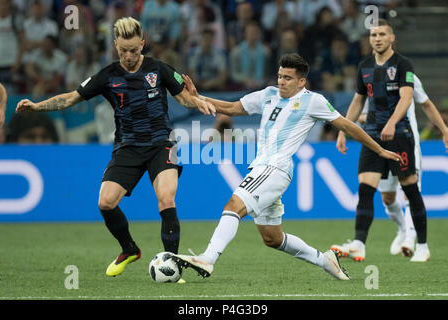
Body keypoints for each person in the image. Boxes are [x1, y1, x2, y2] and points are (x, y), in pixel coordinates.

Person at [172, 53, 402, 280]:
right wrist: (199, 97)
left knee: (233, 205)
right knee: (272, 238)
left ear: (302, 81)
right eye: (280, 76)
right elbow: (232, 108)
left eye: (288, 78)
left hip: (275, 167)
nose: (281, 81)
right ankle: (325, 260)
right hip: (263, 167)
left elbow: (348, 126)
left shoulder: (314, 101)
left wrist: (379, 150)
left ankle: (208, 258)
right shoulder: (268, 95)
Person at [16, 17, 215, 278]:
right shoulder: (107, 76)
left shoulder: (159, 69)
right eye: (123, 51)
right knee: (105, 202)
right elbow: (70, 98)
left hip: (162, 144)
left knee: (166, 198)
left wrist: (196, 100)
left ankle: (173, 265)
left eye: (134, 50)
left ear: (142, 44)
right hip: (127, 147)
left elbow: (185, 99)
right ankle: (129, 249)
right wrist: (38, 105)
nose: (129, 56)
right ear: (115, 46)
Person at [331, 19, 431, 262]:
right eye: (373, 34)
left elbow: (406, 98)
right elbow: (358, 101)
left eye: (382, 34)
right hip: (372, 136)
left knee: (410, 189)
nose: (377, 38)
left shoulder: (403, 64)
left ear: (392, 38)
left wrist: (392, 123)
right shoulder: (364, 66)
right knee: (366, 189)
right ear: (369, 39)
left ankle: (423, 246)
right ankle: (358, 243)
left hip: (399, 136)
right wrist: (344, 129)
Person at [358, 74, 448, 258]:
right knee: (388, 198)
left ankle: (411, 241)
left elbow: (426, 102)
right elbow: (362, 113)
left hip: (407, 141)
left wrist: (444, 129)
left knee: (410, 192)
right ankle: (403, 229)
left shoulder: (408, 76)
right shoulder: (369, 76)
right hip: (381, 144)